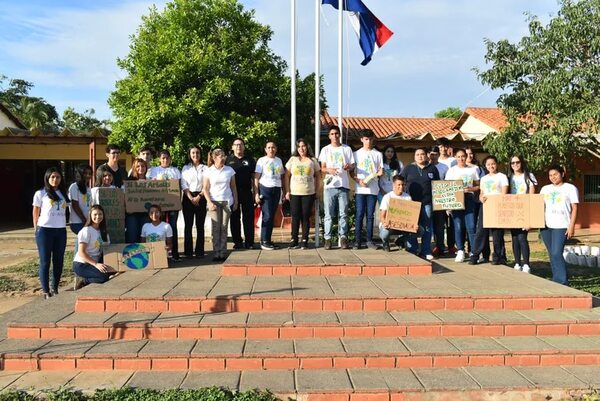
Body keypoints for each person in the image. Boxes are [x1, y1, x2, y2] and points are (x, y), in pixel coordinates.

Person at [32, 167, 70, 299]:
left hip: (60, 230)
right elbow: (35, 212)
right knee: (45, 262)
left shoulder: (64, 193)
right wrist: (36, 229)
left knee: (58, 261)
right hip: (44, 231)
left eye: (58, 177)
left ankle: (55, 288)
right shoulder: (40, 193)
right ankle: (45, 290)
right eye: (52, 177)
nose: (55, 179)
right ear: (47, 178)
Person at [540, 165, 578, 286]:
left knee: (557, 252)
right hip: (546, 226)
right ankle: (556, 278)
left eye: (555, 174)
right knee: (552, 253)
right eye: (550, 175)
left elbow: (575, 208)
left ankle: (562, 281)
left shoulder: (570, 188)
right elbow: (540, 207)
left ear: (562, 174)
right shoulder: (545, 189)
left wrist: (571, 226)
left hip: (561, 225)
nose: (553, 177)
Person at [319, 125, 355, 250]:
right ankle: (328, 239)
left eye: (336, 133)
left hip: (343, 185)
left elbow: (352, 165)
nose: (334, 136)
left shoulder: (347, 149)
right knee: (328, 214)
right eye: (332, 134)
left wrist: (348, 167)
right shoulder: (325, 150)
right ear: (329, 136)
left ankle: (343, 238)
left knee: (343, 214)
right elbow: (322, 168)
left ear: (340, 135)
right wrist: (329, 169)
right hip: (329, 186)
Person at [400, 147, 440, 259]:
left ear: (426, 155)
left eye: (422, 154)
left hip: (427, 203)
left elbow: (437, 186)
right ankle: (412, 249)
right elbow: (400, 182)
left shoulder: (432, 168)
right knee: (412, 226)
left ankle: (426, 250)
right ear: (414, 157)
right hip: (411, 203)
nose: (420, 156)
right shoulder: (408, 168)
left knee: (427, 227)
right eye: (417, 154)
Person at [469, 156, 509, 265]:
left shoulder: (502, 176)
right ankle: (475, 255)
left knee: (497, 233)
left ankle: (498, 256)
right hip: (486, 206)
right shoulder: (484, 178)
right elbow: (482, 192)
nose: (491, 166)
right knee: (481, 231)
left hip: (498, 206)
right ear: (485, 166)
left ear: (496, 164)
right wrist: (481, 198)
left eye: (493, 164)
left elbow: (504, 193)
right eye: (488, 164)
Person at [285, 138, 320, 249]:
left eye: (303, 146)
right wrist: (287, 191)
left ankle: (304, 240)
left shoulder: (312, 160)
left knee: (305, 216)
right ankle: (294, 239)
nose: (301, 148)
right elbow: (286, 176)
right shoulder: (292, 160)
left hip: (308, 192)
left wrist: (317, 191)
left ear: (307, 147)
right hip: (294, 192)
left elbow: (318, 176)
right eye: (299, 146)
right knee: (295, 216)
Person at [445, 148, 480, 262]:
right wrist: (448, 205)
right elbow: (446, 188)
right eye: (458, 156)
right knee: (458, 226)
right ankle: (460, 250)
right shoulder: (452, 170)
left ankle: (474, 251)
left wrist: (471, 188)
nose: (461, 158)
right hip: (456, 199)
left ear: (466, 157)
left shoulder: (473, 169)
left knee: (471, 226)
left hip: (469, 198)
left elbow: (478, 185)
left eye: (463, 156)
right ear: (455, 158)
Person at [147, 149, 182, 261]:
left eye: (167, 158)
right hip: (158, 204)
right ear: (159, 159)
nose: (165, 160)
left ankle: (174, 253)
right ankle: (159, 253)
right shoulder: (154, 171)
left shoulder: (175, 171)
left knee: (172, 227)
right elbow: (150, 185)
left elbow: (179, 187)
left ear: (170, 159)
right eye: (163, 158)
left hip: (172, 203)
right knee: (158, 228)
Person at [351, 131, 383, 250]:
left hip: (373, 190)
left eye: (370, 139)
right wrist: (359, 181)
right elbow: (351, 172)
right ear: (361, 139)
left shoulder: (378, 154)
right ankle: (357, 241)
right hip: (360, 189)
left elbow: (381, 171)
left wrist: (377, 174)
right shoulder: (355, 154)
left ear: (373, 139)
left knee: (370, 216)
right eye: (366, 139)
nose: (368, 141)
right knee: (359, 215)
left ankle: (369, 240)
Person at [73, 205, 117, 290]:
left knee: (114, 270)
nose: (98, 216)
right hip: (82, 264)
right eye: (95, 214)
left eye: (100, 214)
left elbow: (107, 250)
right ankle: (82, 280)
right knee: (103, 277)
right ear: (90, 215)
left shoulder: (104, 232)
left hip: (94, 263)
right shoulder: (86, 231)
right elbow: (81, 253)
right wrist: (96, 264)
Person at [204, 148, 238, 261]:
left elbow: (233, 187)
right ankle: (216, 251)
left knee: (224, 227)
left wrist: (236, 200)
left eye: (224, 156)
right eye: (220, 156)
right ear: (214, 158)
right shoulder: (208, 170)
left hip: (226, 201)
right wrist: (209, 202)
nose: (223, 158)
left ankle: (223, 252)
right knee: (216, 228)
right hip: (213, 201)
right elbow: (205, 188)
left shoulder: (230, 170)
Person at [254, 141, 285, 250]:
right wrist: (256, 194)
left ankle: (268, 239)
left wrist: (283, 192)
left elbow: (282, 177)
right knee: (266, 215)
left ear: (276, 149)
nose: (271, 149)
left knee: (272, 215)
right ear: (265, 149)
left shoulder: (278, 160)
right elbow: (256, 178)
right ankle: (264, 241)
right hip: (265, 188)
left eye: (273, 147)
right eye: (269, 147)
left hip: (276, 189)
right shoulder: (261, 160)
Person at [509, 155, 537, 273]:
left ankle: (526, 264)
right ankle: (517, 263)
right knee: (514, 237)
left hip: (524, 209)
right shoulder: (509, 177)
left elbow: (532, 195)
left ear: (522, 162)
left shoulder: (529, 176)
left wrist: (530, 214)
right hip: (512, 210)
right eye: (512, 163)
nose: (515, 164)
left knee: (522, 237)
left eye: (517, 162)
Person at [226, 138, 256, 250]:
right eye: (236, 144)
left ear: (244, 146)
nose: (238, 147)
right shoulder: (227, 160)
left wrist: (255, 193)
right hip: (232, 193)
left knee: (248, 217)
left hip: (247, 192)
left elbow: (254, 178)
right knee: (234, 217)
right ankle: (237, 242)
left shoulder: (250, 160)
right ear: (232, 147)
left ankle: (250, 242)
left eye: (241, 144)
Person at [181, 145, 207, 258]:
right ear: (190, 155)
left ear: (200, 154)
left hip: (201, 197)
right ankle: (188, 252)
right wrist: (190, 197)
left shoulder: (205, 168)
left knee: (200, 225)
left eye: (197, 153)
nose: (195, 155)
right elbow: (183, 184)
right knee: (188, 225)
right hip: (188, 197)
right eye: (193, 153)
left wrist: (199, 196)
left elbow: (207, 185)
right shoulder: (185, 168)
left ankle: (200, 251)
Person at [379, 175, 413, 252]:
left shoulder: (407, 197)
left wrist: (414, 224)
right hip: (390, 225)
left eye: (403, 185)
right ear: (393, 185)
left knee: (420, 230)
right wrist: (384, 223)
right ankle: (385, 242)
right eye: (399, 185)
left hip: (403, 225)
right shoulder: (387, 197)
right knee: (384, 233)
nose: (401, 187)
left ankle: (400, 240)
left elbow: (411, 215)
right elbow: (382, 216)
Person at [428, 146, 449, 256]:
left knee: (440, 225)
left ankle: (440, 246)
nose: (434, 156)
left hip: (440, 198)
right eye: (431, 154)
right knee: (427, 224)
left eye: (436, 154)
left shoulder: (444, 167)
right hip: (427, 199)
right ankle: (428, 247)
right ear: (428, 155)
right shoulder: (425, 166)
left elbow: (448, 183)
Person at [125, 158, 150, 243]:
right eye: (138, 166)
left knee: (144, 237)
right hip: (132, 214)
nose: (141, 168)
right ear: (134, 168)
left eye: (143, 166)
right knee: (132, 235)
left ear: (146, 168)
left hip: (146, 213)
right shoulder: (128, 182)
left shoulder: (150, 181)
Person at [68, 164, 92, 238]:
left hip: (87, 221)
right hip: (77, 222)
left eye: (90, 173)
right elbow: (75, 205)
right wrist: (84, 220)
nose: (88, 175)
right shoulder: (74, 186)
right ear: (80, 174)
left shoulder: (88, 188)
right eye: (85, 173)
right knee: (83, 240)